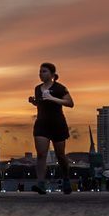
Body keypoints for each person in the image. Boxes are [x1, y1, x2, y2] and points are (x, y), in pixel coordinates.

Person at [27, 62, 74, 195]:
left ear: (52, 74)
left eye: (44, 71)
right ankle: (41, 184)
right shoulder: (37, 88)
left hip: (58, 124)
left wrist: (53, 98)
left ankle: (66, 179)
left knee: (60, 155)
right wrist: (34, 101)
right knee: (41, 155)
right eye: (40, 71)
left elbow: (70, 103)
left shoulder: (60, 88)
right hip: (42, 124)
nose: (41, 74)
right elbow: (41, 104)